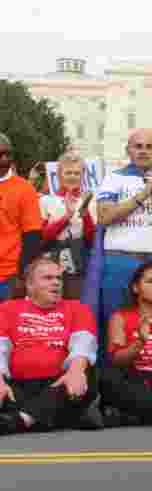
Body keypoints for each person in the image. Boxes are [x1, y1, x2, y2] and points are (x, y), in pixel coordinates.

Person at [95, 129, 152, 350]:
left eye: (149, 147)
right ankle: (111, 381)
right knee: (114, 324)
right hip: (120, 262)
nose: (143, 151)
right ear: (128, 150)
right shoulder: (114, 178)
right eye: (138, 146)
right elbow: (104, 217)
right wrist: (141, 196)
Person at [0, 256, 98, 434]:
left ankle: (21, 419)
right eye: (48, 278)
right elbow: (1, 348)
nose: (56, 283)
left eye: (59, 278)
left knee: (86, 375)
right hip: (19, 386)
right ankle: (57, 417)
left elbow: (82, 346)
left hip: (60, 384)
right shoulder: (7, 308)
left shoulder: (78, 308)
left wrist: (76, 372)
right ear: (29, 285)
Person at [101, 261, 152, 426]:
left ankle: (142, 414)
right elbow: (116, 360)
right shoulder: (120, 317)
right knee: (108, 378)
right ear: (136, 287)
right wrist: (140, 341)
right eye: (151, 281)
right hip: (136, 382)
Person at [38, 152, 97, 300]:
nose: (72, 176)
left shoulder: (90, 200)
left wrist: (86, 214)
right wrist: (67, 217)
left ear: (83, 175)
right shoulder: (46, 200)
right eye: (68, 172)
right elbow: (42, 237)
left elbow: (92, 239)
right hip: (51, 259)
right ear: (58, 174)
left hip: (79, 260)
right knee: (50, 304)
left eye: (77, 173)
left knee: (74, 304)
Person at [0, 133, 43, 302]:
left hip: (9, 278)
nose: (4, 159)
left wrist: (22, 277)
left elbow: (32, 238)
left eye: (8, 154)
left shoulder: (24, 189)